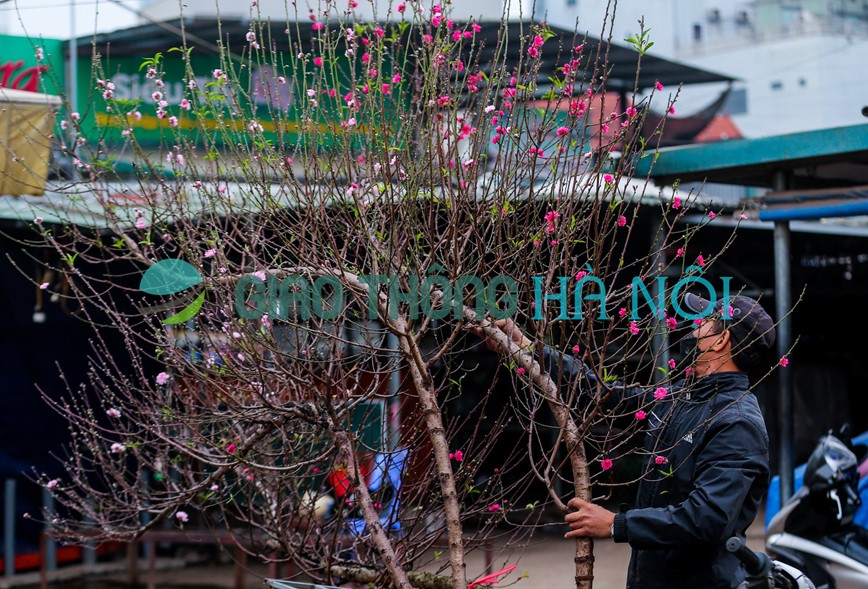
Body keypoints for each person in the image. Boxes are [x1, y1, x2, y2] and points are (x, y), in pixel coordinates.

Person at [474, 292, 775, 589]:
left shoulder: (737, 423)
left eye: (706, 321)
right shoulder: (681, 396)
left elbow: (707, 517)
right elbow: (602, 397)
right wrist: (525, 347)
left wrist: (617, 524)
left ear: (721, 340)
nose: (694, 327)